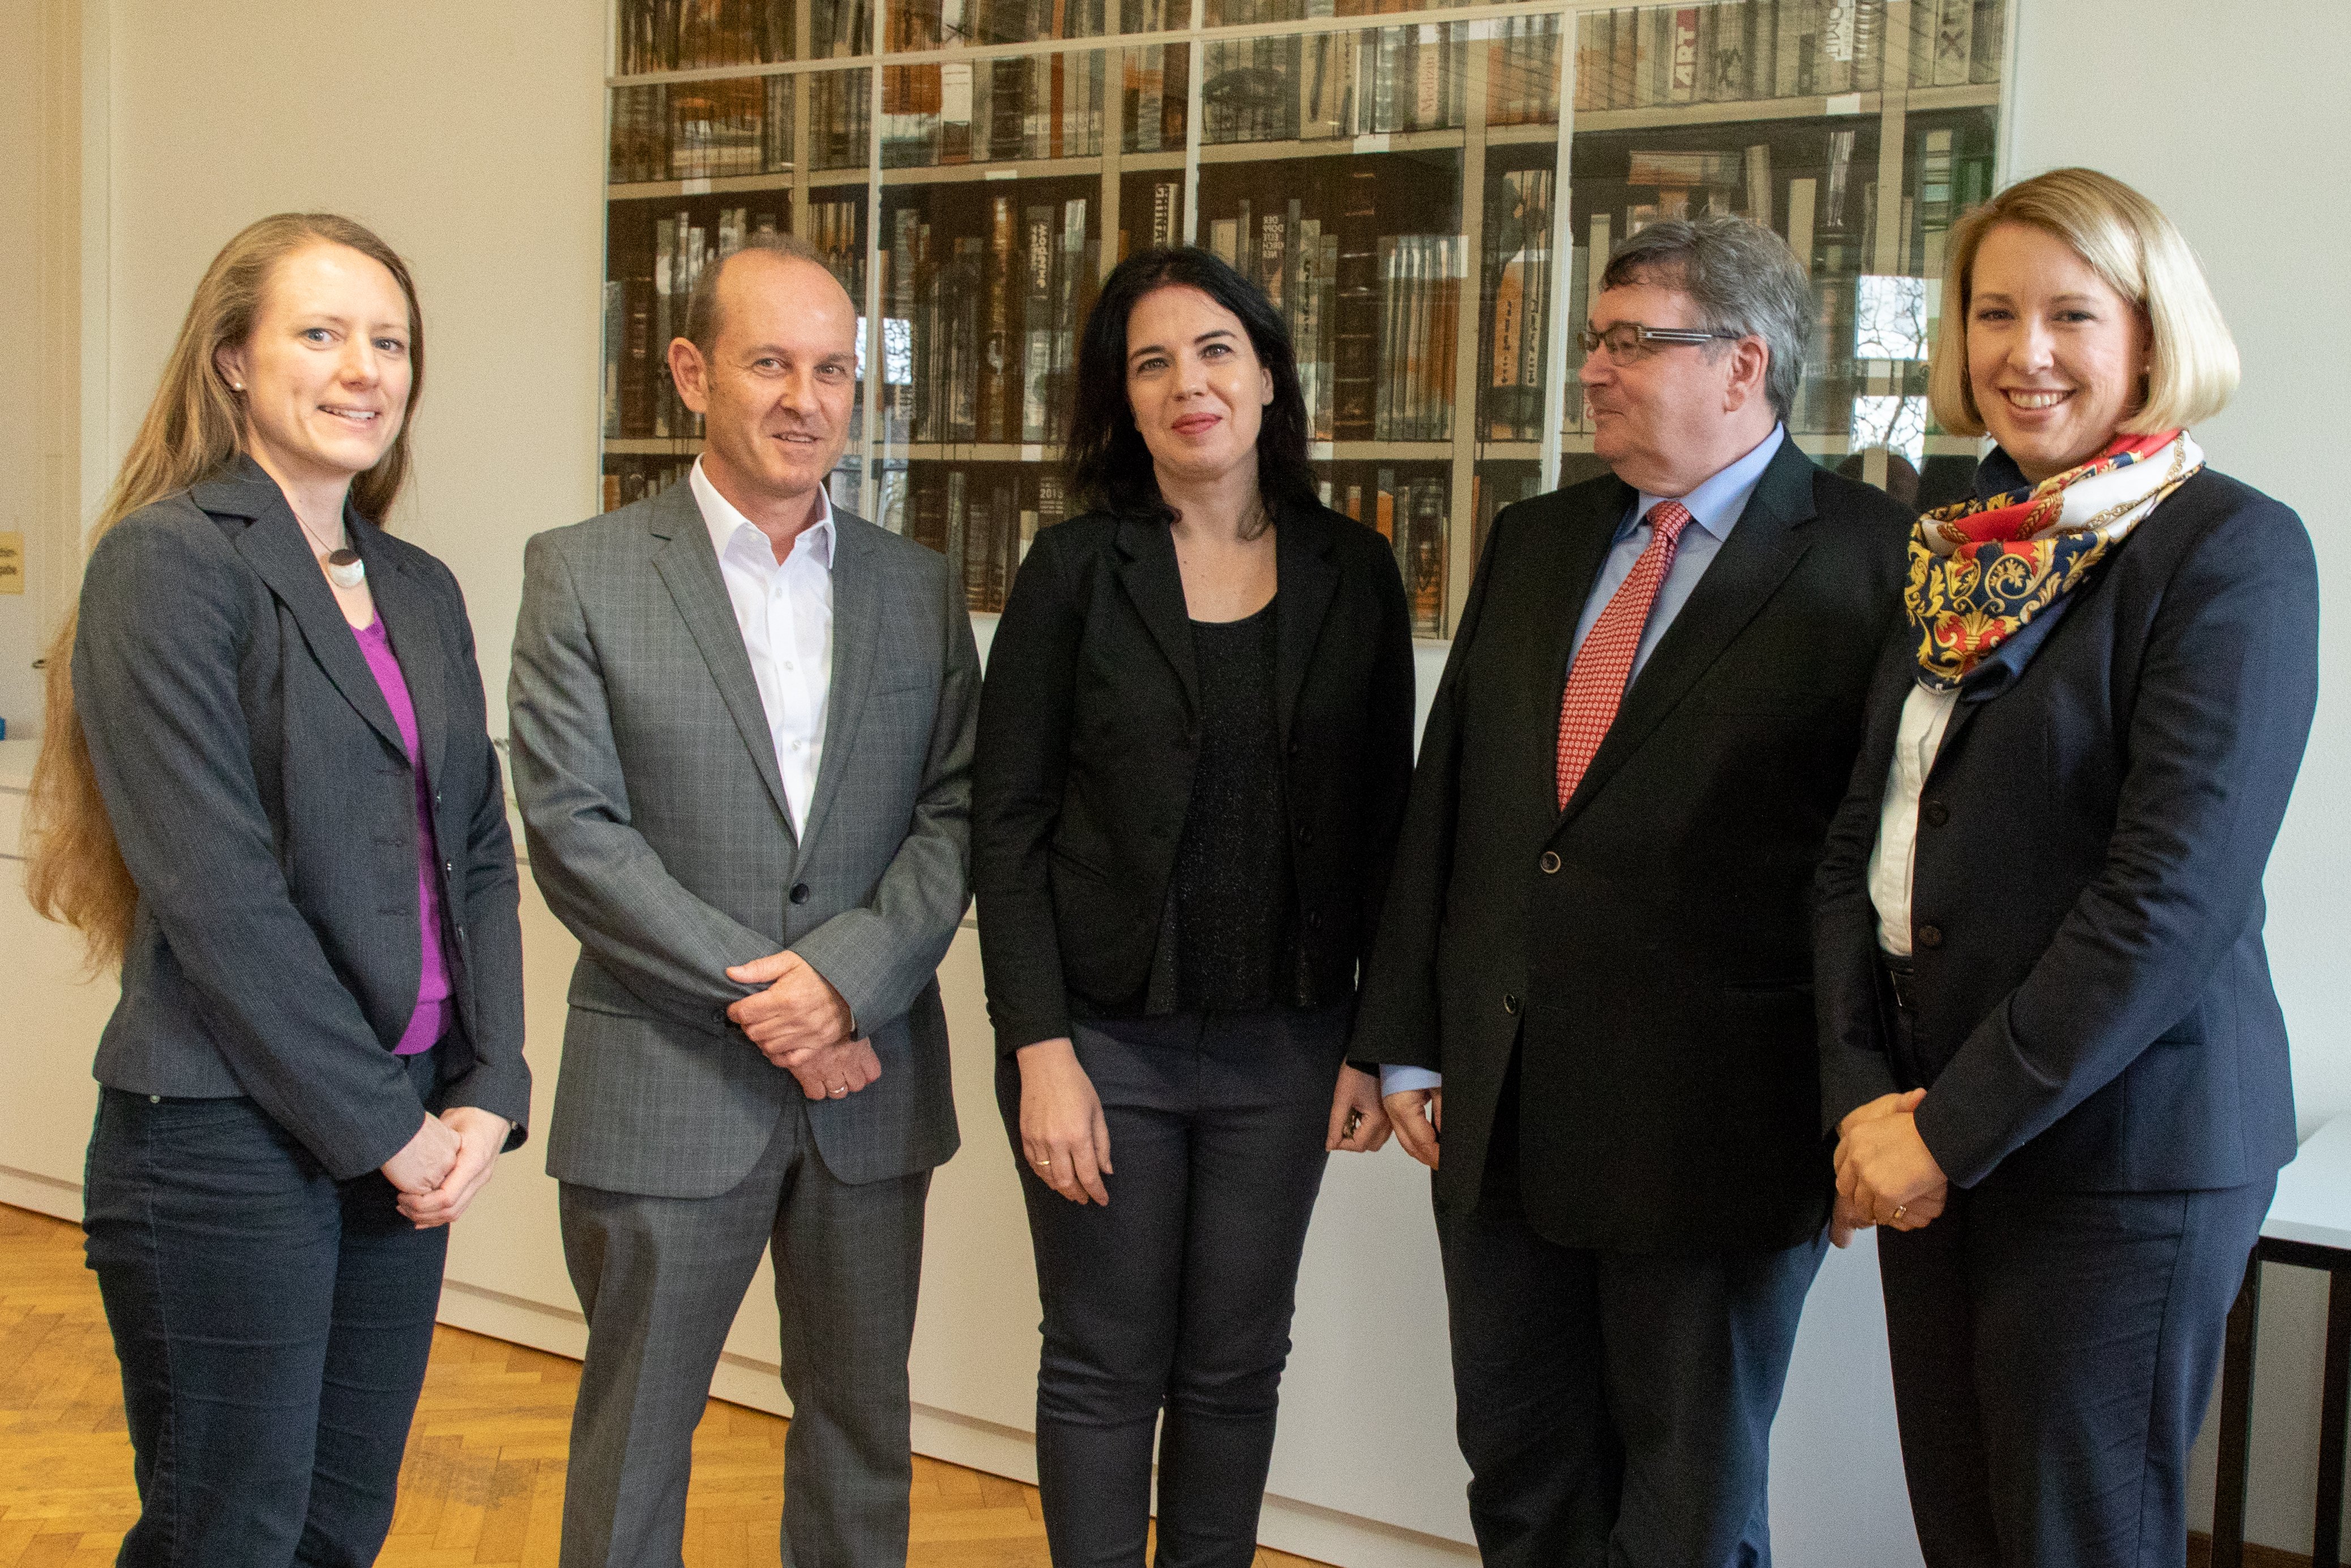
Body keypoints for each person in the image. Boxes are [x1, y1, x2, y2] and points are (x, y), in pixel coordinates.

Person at [1352, 214, 1912, 1567]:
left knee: (1688, 1504)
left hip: (1721, 1124)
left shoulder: (1878, 560)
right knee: (1522, 1469)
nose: (1590, 372)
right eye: (1592, 343)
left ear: (1741, 363)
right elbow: (1458, 795)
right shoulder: (1540, 538)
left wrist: (1861, 1096)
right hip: (1502, 1106)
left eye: (1627, 343)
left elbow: (1879, 861)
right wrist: (1407, 1031)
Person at [1814, 166, 2316, 1568]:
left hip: (2118, 1153)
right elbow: (1869, 834)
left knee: (2074, 1542)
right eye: (1993, 314)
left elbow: (2171, 899)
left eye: (2070, 315)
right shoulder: (1961, 553)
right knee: (1968, 1534)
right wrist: (1864, 1102)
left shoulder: (2231, 552)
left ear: (2149, 338)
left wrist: (1940, 1128)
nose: (2024, 353)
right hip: (1935, 1132)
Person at [22, 212, 529, 1565]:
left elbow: (475, 844)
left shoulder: (419, 587)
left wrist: (489, 1085)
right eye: (320, 332)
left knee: (337, 1529)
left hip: (406, 1126)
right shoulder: (170, 559)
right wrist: (386, 1124)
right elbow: (218, 894)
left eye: (390, 340)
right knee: (226, 1531)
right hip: (223, 1138)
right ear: (233, 358)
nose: (363, 368)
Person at [508, 230, 979, 1568]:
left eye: (832, 369)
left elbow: (953, 815)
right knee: (636, 1447)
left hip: (870, 1090)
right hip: (664, 1089)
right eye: (769, 361)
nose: (803, 398)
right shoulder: (580, 570)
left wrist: (848, 983)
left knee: (859, 1437)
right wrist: (781, 1000)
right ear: (690, 371)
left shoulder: (919, 586)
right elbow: (576, 832)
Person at [972, 245, 1414, 1567]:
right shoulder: (1071, 571)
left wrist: (1367, 1038)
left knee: (1233, 1364)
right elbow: (1007, 826)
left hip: (1286, 1046)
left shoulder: (1355, 569)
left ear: (1269, 376)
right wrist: (1037, 1046)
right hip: (1102, 1045)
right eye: (1151, 361)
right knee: (1105, 1362)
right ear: (1124, 400)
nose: (1189, 383)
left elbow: (1387, 823)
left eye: (1216, 349)